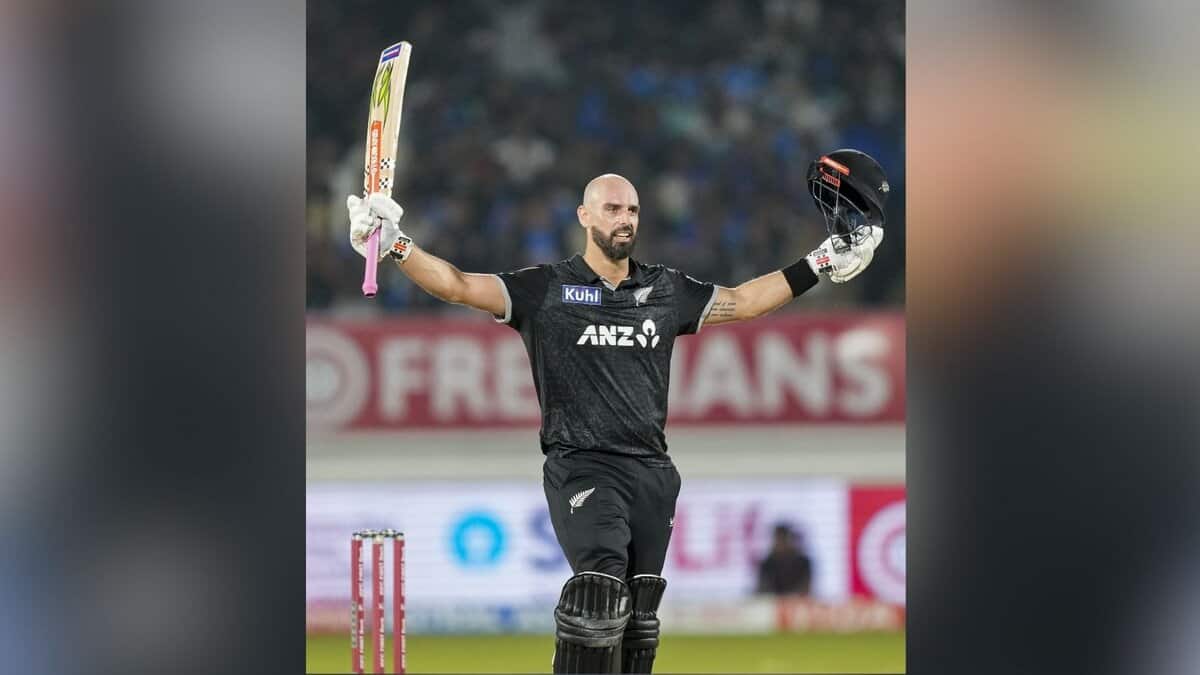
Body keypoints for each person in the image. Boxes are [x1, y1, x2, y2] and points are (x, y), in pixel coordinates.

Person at [347, 149, 889, 674]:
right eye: (612, 208)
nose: (625, 218)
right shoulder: (544, 289)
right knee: (599, 591)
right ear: (584, 216)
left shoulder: (665, 289)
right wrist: (397, 245)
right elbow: (458, 285)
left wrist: (820, 262)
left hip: (652, 473)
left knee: (638, 624)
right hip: (582, 465)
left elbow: (745, 301)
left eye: (632, 209)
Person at [756, 523, 813, 596]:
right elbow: (762, 589)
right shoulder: (767, 563)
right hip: (773, 600)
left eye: (783, 539)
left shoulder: (803, 562)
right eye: (778, 539)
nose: (781, 543)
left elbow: (805, 589)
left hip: (797, 600)